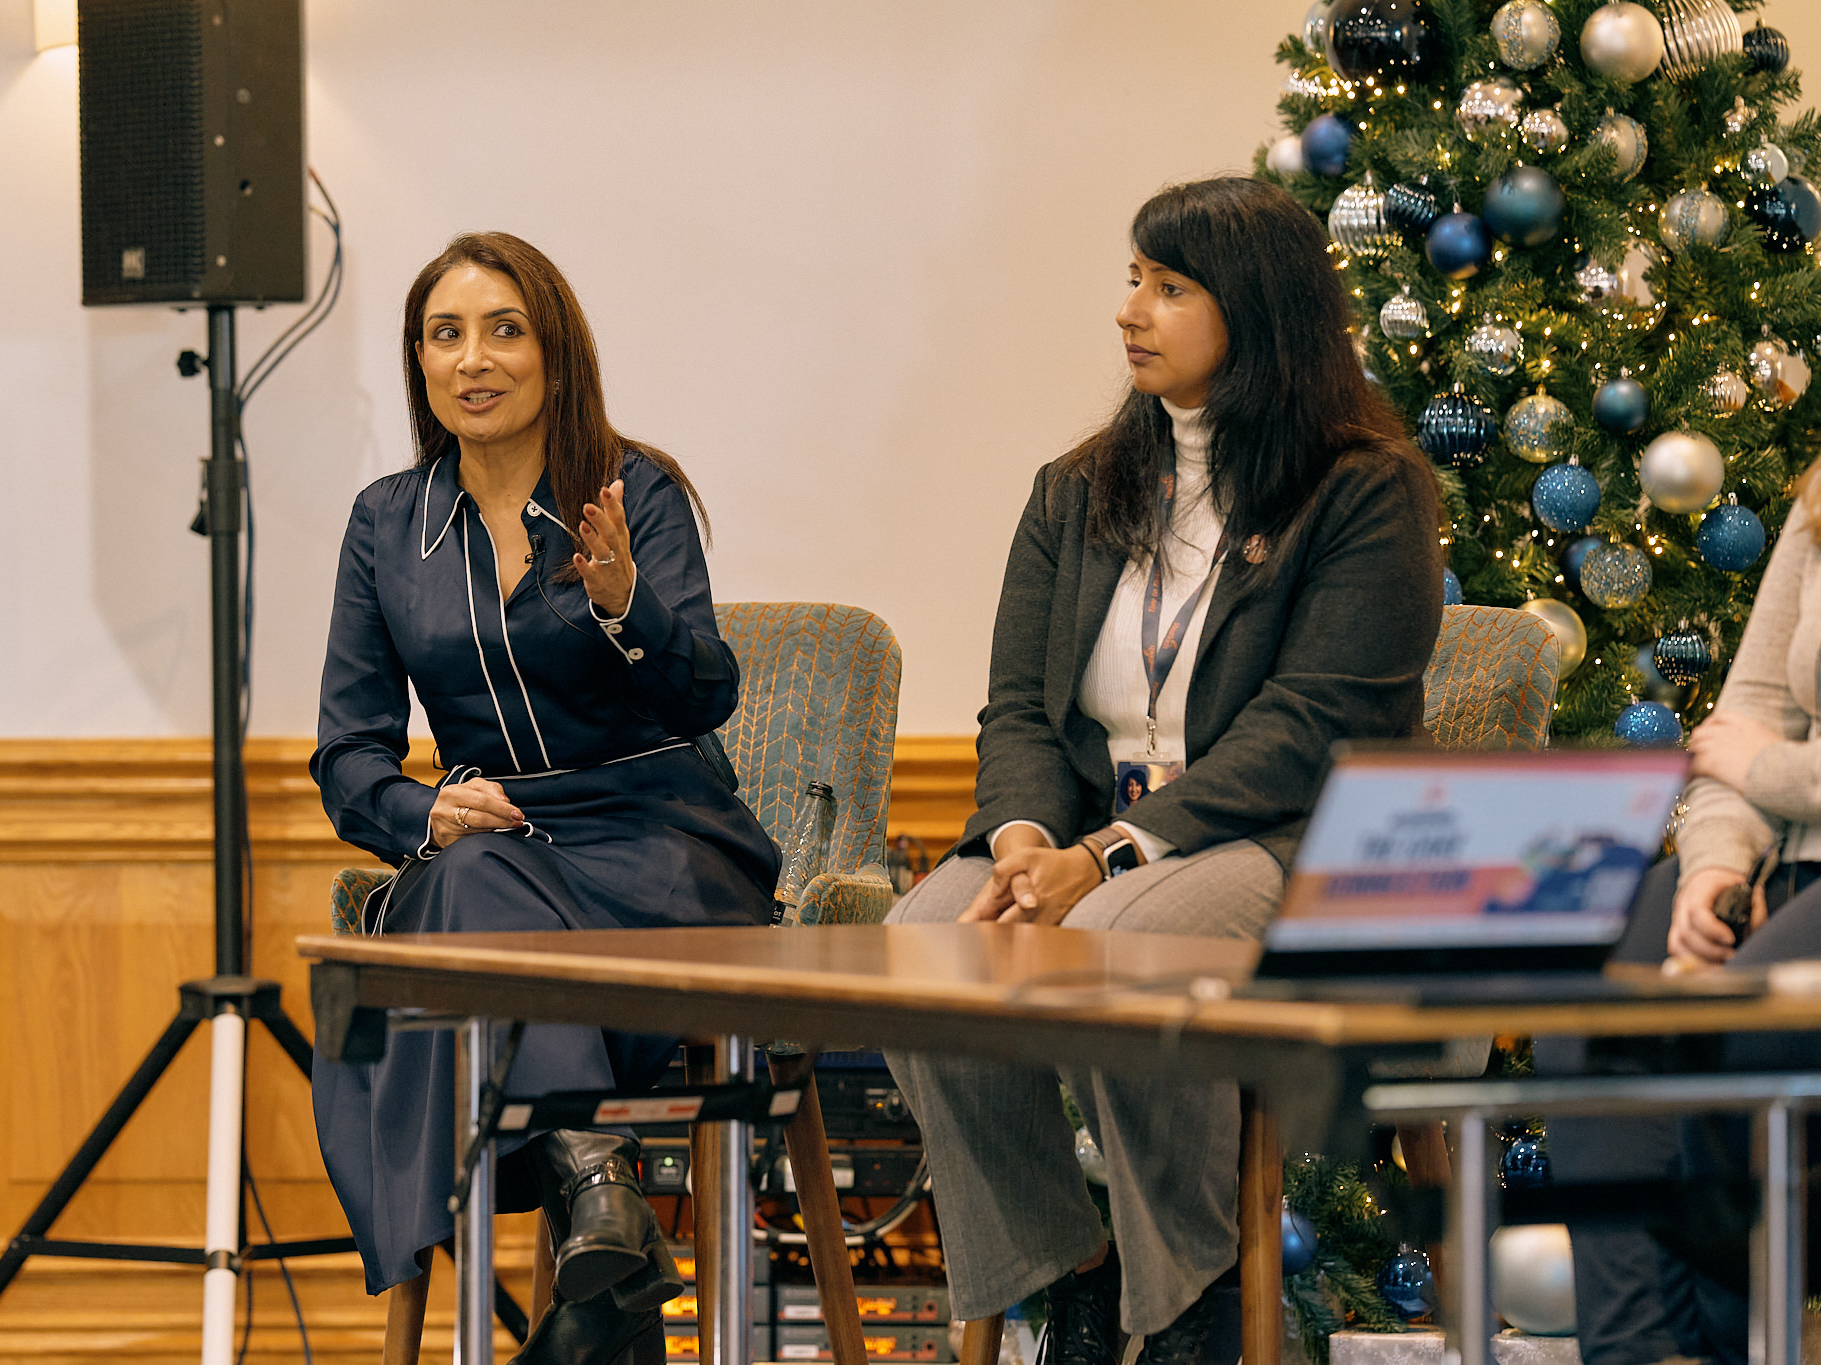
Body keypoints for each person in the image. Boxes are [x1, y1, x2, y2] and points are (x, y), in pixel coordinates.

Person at [883, 175, 1443, 1365]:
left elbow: (1312, 725)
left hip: (1290, 841)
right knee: (923, 944)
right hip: (1088, 839)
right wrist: (1025, 839)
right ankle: (1069, 1272)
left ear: (1258, 312)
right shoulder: (1075, 488)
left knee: (1119, 938)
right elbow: (1019, 709)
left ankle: (1190, 1300)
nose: (1129, 311)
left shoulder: (1363, 489)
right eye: (1133, 279)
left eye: (1170, 287)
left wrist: (1103, 857)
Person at [310, 231, 778, 1365]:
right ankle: (603, 1208)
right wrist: (422, 813)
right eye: (446, 335)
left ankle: (602, 1236)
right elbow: (348, 753)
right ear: (422, 364)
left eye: (504, 330)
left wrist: (627, 606)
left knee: (469, 920)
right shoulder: (386, 523)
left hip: (662, 843)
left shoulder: (634, 491)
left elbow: (706, 694)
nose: (474, 359)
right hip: (500, 846)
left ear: (554, 353)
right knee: (471, 878)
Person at [1539, 463, 1821, 1365]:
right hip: (1783, 853)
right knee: (1589, 987)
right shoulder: (1819, 501)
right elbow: (1748, 714)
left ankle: (1737, 1345)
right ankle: (1635, 1351)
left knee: (1738, 1026)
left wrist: (1766, 769)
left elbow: (1753, 753)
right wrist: (1714, 867)